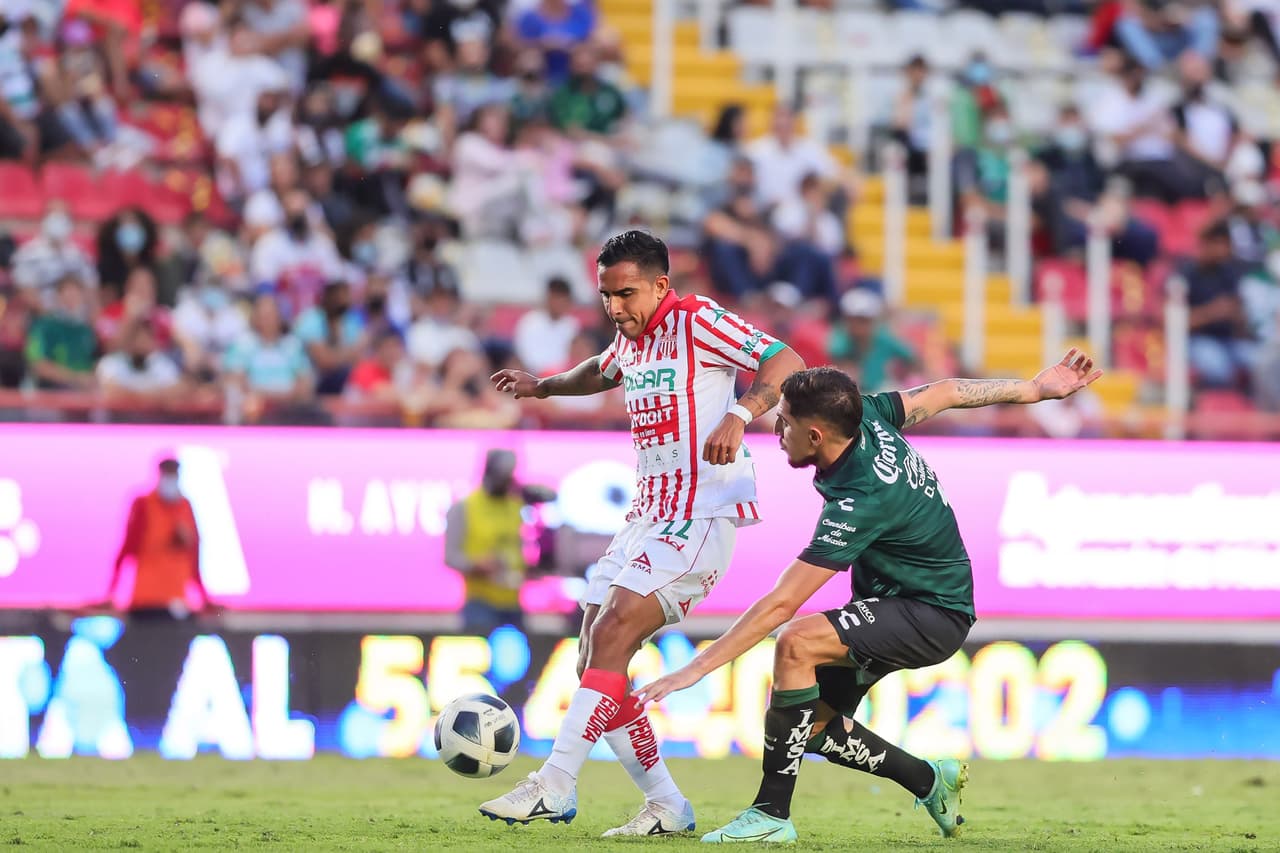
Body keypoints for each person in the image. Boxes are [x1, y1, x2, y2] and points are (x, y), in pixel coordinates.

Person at [636, 351, 1103, 843]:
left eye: (787, 422)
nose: (777, 429)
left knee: (796, 642)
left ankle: (770, 815)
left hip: (930, 613)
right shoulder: (869, 414)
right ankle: (929, 781)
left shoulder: (860, 499)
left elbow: (781, 604)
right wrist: (1033, 389)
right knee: (812, 728)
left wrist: (696, 668)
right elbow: (946, 392)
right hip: (901, 602)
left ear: (817, 436)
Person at [481, 230, 805, 835]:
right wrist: (544, 386)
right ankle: (667, 805)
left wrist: (740, 414)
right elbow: (600, 371)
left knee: (613, 631)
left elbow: (786, 361)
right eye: (606, 295)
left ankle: (553, 783)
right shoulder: (631, 339)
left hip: (701, 514)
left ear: (660, 285)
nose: (614, 307)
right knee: (593, 656)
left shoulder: (696, 320)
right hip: (645, 516)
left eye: (625, 294)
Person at [443, 448, 555, 635]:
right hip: (480, 603)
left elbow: (523, 545)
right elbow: (451, 556)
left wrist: (530, 568)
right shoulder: (465, 508)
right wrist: (476, 565)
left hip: (513, 602)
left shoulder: (516, 505)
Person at [107, 457, 210, 619]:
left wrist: (204, 596)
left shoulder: (185, 506)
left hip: (176, 599)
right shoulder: (144, 504)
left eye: (173, 474)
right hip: (146, 599)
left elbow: (194, 553)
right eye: (167, 474)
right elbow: (128, 547)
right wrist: (112, 590)